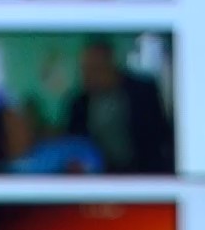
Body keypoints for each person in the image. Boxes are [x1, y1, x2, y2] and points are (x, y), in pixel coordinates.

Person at [65, 40, 174, 174]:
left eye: (96, 68)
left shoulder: (143, 92)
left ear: (111, 65)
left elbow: (160, 134)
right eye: (85, 69)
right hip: (100, 175)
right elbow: (73, 143)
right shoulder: (79, 104)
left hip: (143, 172)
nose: (89, 75)